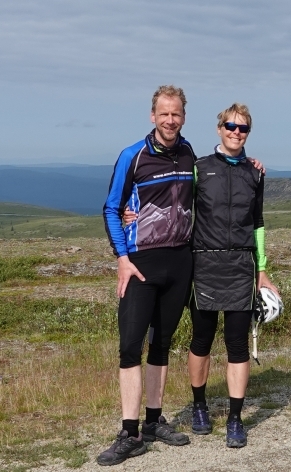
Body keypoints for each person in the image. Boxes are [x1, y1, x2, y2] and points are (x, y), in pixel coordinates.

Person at [97, 85, 196, 466]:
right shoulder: (132, 156)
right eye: (164, 113)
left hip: (179, 262)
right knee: (129, 347)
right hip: (140, 264)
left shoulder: (189, 154)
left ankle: (154, 422)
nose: (170, 120)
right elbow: (110, 208)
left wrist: (253, 165)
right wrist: (122, 258)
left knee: (162, 343)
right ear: (152, 116)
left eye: (176, 114)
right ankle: (129, 431)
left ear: (183, 117)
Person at [186, 103, 277, 448]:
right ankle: (199, 407)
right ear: (219, 128)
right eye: (230, 126)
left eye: (243, 128)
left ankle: (236, 419)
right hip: (204, 265)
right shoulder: (199, 168)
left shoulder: (255, 173)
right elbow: (179, 210)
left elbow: (258, 223)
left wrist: (263, 270)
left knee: (237, 345)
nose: (236, 132)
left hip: (241, 266)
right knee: (201, 341)